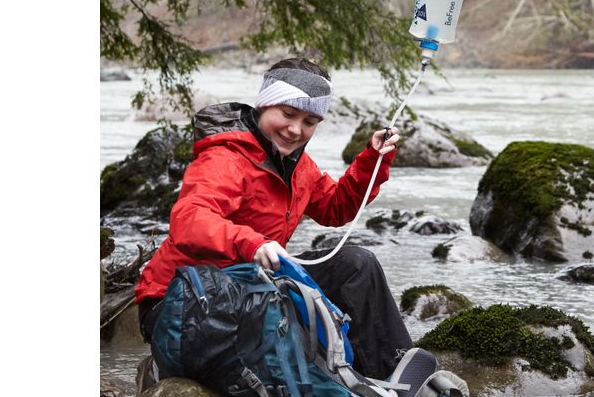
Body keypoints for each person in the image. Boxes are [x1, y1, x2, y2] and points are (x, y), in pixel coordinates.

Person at [135, 58, 414, 380]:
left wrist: (372, 162)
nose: (296, 129)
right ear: (264, 105)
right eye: (288, 114)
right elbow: (190, 220)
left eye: (310, 121)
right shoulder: (225, 157)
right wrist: (252, 244)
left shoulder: (298, 165)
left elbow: (335, 209)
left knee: (356, 264)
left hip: (250, 284)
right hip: (179, 300)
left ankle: (393, 377)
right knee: (277, 317)